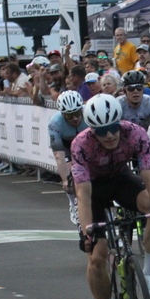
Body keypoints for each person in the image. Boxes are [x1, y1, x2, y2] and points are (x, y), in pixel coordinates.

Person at [73, 94, 150, 299]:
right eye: (101, 131)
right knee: (97, 257)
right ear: (92, 130)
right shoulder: (81, 144)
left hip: (121, 180)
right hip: (93, 191)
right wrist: (88, 233)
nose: (109, 136)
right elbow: (83, 195)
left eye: (112, 127)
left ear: (120, 121)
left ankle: (149, 275)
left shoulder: (135, 134)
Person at [48, 90, 87, 226]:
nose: (75, 118)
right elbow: (59, 156)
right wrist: (66, 181)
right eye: (70, 116)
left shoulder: (89, 114)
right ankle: (73, 203)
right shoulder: (54, 123)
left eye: (77, 113)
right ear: (63, 114)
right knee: (71, 176)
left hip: (87, 142)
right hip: (67, 145)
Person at [118, 70, 150, 161]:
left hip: (142, 141)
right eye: (131, 88)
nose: (135, 91)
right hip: (122, 142)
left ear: (143, 89)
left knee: (148, 170)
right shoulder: (118, 104)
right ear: (124, 91)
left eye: (139, 88)